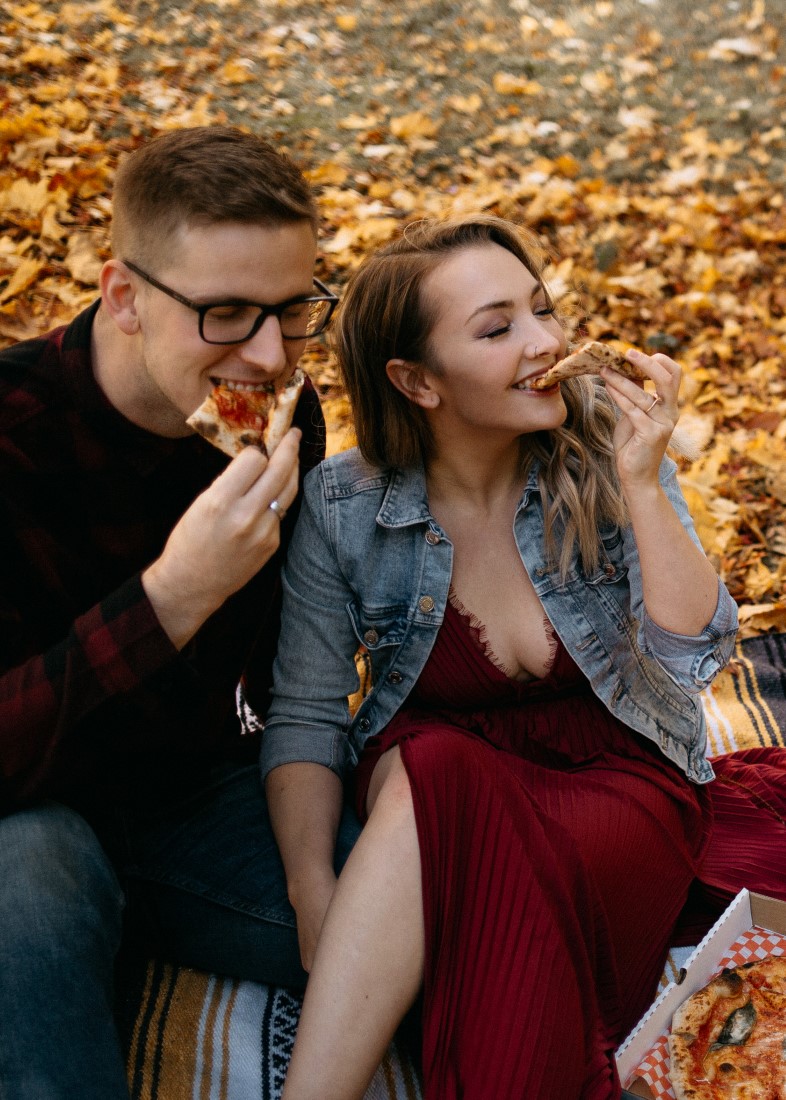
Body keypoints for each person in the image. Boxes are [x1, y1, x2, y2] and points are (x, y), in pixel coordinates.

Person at [261, 214, 786, 1100]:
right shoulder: (342, 506)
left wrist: (640, 482)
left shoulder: (607, 447)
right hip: (433, 793)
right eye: (498, 328)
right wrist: (316, 891)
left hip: (616, 781)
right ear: (415, 380)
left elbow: (694, 654)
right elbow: (307, 713)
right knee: (433, 766)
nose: (546, 343)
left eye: (544, 310)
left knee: (439, 796)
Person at [0, 125, 362, 1100]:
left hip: (198, 800)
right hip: (31, 815)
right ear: (124, 297)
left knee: (434, 907)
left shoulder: (283, 407)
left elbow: (289, 674)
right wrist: (173, 596)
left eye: (294, 311)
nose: (270, 353)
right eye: (229, 313)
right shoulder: (14, 436)